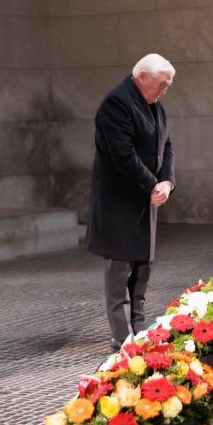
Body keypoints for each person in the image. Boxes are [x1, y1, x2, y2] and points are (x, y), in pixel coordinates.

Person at [88, 54, 176, 348]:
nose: (165, 91)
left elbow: (167, 147)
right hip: (120, 203)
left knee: (142, 272)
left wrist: (167, 182)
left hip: (145, 199)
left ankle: (140, 334)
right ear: (142, 77)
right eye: (162, 85)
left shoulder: (155, 105)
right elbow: (123, 156)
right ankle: (122, 341)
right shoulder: (117, 103)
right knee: (120, 276)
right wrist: (153, 184)